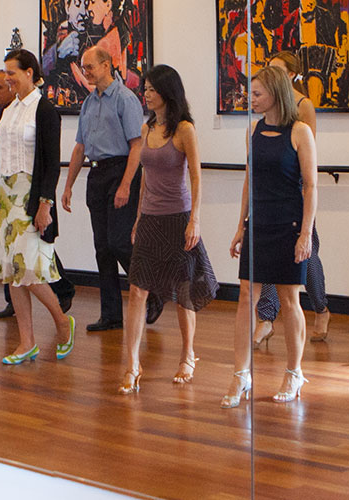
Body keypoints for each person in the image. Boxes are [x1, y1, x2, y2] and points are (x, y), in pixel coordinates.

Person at [113, 65, 217, 394]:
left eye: (151, 89)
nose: (146, 94)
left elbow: (196, 177)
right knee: (137, 291)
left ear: (167, 93)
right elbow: (145, 178)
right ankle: (132, 364)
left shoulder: (184, 130)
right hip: (150, 219)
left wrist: (195, 219)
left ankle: (187, 355)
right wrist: (138, 218)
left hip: (178, 218)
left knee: (183, 291)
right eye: (144, 88)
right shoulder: (146, 128)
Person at [222, 66, 318, 408]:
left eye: (257, 93)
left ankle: (294, 372)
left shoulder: (300, 131)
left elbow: (311, 186)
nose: (252, 99)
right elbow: (249, 180)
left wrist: (305, 233)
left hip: (288, 224)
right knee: (246, 295)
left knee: (289, 299)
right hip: (259, 223)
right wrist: (240, 225)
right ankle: (241, 374)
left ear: (276, 94)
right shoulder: (253, 130)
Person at [63, 45, 161, 333]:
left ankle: (152, 289)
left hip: (121, 171)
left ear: (106, 65)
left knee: (119, 242)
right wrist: (68, 185)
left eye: (90, 66)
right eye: (83, 67)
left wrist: (126, 185)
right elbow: (80, 147)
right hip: (96, 174)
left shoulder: (125, 99)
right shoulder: (88, 103)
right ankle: (111, 315)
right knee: (102, 248)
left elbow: (136, 146)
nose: (85, 72)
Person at [0, 49, 76, 365]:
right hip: (6, 197)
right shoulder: (8, 109)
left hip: (30, 197)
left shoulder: (45, 110)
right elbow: (0, 159)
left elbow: (51, 163)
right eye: (5, 72)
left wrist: (45, 204)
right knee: (12, 272)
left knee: (31, 270)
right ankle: (26, 342)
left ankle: (62, 322)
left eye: (12, 72)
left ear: (29, 73)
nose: (7, 78)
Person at [251, 51, 332, 345]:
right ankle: (266, 317)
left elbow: (307, 155)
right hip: (269, 197)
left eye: (278, 71)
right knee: (267, 260)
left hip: (294, 192)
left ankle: (320, 307)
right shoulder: (260, 120)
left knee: (306, 254)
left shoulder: (302, 106)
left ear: (292, 75)